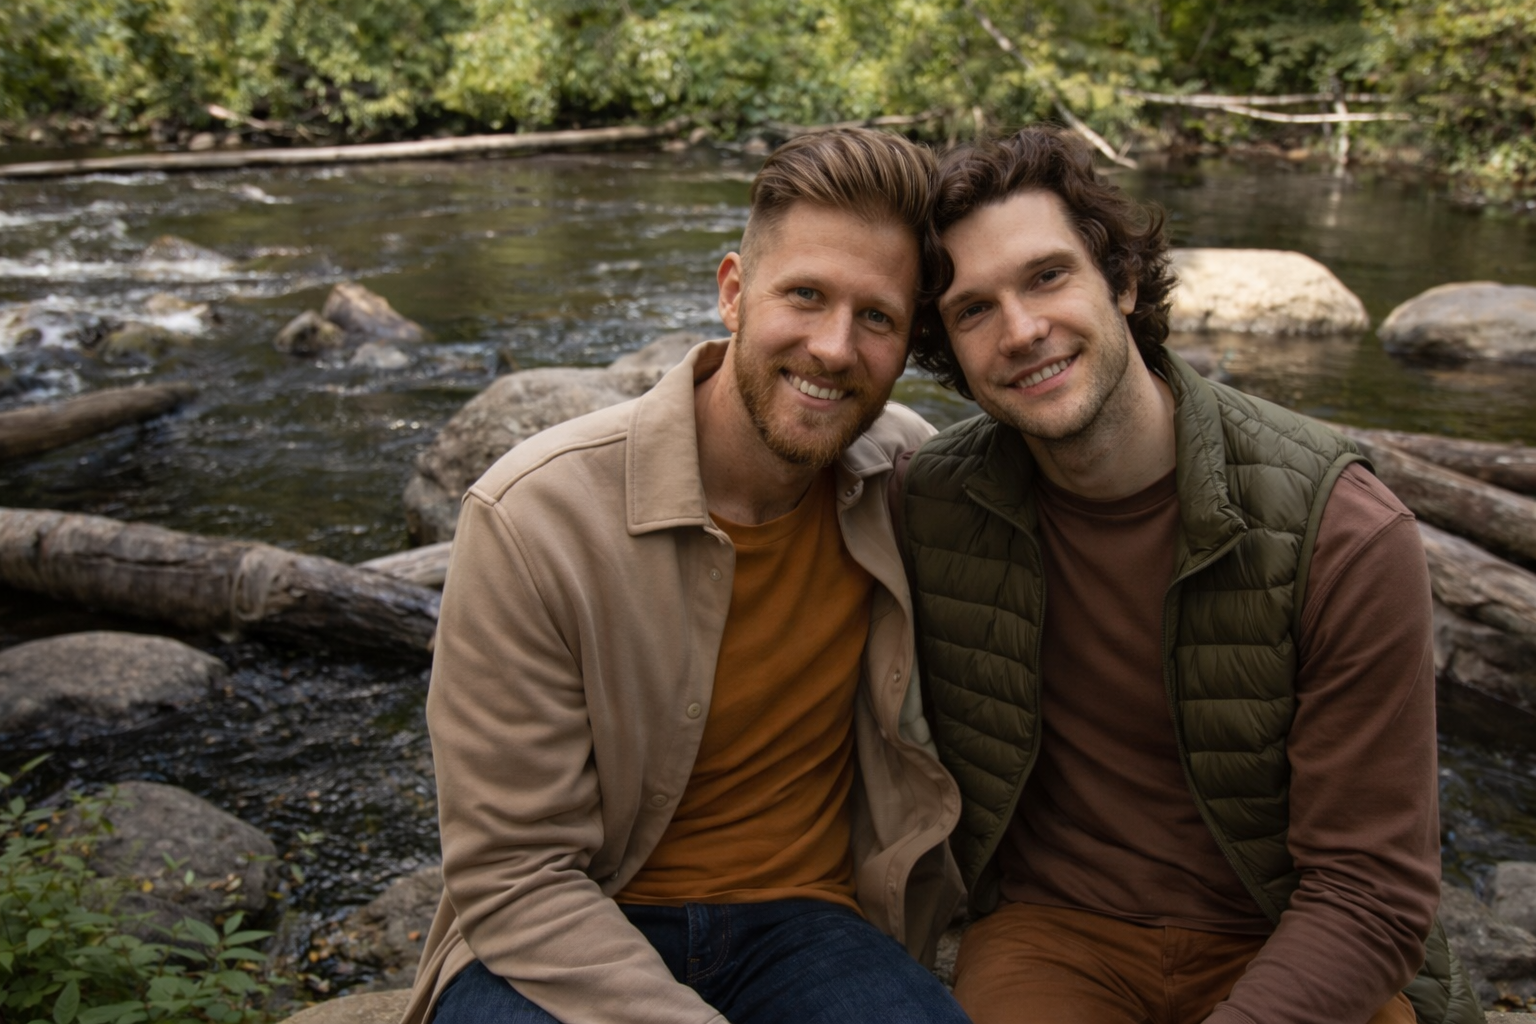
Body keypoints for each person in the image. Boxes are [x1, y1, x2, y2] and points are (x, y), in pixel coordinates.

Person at [899, 125, 1480, 1024]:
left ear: (1123, 283)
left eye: (1048, 276)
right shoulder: (930, 506)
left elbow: (1371, 890)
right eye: (973, 310)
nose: (1021, 331)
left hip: (1288, 932)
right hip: (1055, 934)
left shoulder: (1342, 530)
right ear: (949, 350)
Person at [400, 127, 969, 1024]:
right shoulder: (535, 518)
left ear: (908, 342)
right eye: (806, 295)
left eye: (877, 317)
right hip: (566, 927)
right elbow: (513, 873)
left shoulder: (905, 474)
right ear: (734, 293)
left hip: (806, 925)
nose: (832, 347)